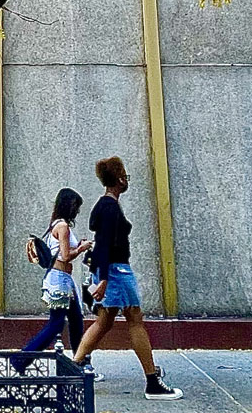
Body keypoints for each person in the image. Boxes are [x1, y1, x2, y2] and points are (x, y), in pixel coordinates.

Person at [71, 157, 182, 400]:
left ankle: (75, 366)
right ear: (120, 179)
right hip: (117, 272)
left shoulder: (104, 205)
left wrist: (100, 276)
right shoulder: (110, 209)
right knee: (135, 319)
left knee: (105, 321)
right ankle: (152, 381)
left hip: (110, 271)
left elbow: (101, 243)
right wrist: (104, 280)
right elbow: (106, 245)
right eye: (125, 175)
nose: (126, 179)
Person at [11, 187, 92, 373]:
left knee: (76, 320)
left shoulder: (55, 223)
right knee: (56, 324)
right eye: (76, 207)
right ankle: (21, 359)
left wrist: (77, 246)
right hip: (60, 280)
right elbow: (65, 255)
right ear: (68, 206)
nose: (77, 211)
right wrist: (82, 248)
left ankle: (81, 361)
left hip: (63, 280)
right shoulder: (62, 226)